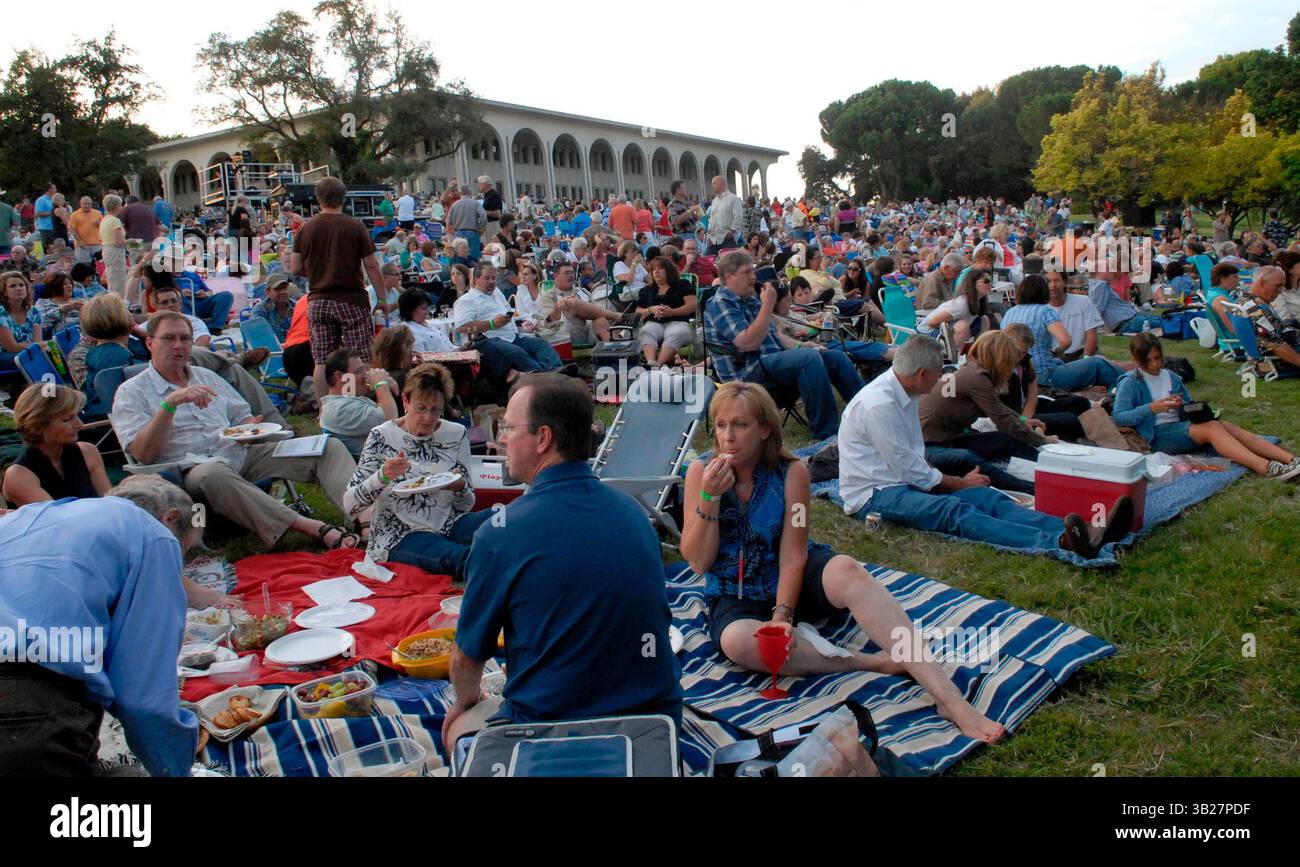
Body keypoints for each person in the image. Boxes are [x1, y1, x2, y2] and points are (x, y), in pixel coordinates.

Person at [681, 381, 1005, 743]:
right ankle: (870, 662)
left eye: (740, 425)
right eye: (721, 425)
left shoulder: (792, 475)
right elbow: (696, 562)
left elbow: (794, 553)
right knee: (738, 643)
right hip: (734, 591)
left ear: (765, 429)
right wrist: (709, 499)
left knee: (847, 569)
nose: (728, 437)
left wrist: (781, 615)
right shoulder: (700, 473)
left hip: (790, 577)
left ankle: (950, 699)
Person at [443, 374, 682, 747]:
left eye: (508, 426)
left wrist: (466, 703)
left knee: (457, 728)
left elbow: (466, 660)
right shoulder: (634, 513)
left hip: (555, 734)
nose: (502, 437)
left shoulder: (501, 532)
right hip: (655, 727)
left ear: (543, 438)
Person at [838, 335, 1132, 559]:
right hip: (875, 494)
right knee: (954, 510)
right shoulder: (879, 406)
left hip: (901, 480)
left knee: (985, 497)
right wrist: (960, 484)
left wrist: (965, 485)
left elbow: (914, 460)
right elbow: (912, 471)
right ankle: (1059, 542)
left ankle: (1080, 531)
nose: (943, 378)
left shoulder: (904, 394)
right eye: (940, 371)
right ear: (922, 375)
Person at [0, 476, 208, 776]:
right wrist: (175, 768)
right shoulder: (154, 535)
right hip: (28, 705)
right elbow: (144, 696)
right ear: (170, 519)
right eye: (183, 552)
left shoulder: (22, 519)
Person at [109, 310, 361, 549]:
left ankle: (366, 520)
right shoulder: (132, 392)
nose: (178, 345)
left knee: (327, 446)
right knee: (212, 473)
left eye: (184, 338)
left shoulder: (205, 376)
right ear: (150, 343)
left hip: (240, 454)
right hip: (189, 471)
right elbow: (143, 454)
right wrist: (170, 404)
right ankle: (313, 527)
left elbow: (242, 415)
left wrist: (249, 427)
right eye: (168, 338)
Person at [344, 362, 491, 580]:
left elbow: (465, 505)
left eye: (436, 410)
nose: (428, 418)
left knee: (507, 519)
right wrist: (381, 477)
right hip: (400, 534)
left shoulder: (456, 434)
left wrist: (460, 487)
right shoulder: (381, 436)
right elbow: (350, 505)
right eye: (421, 408)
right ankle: (510, 576)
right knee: (458, 557)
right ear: (405, 400)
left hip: (448, 523)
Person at [703, 251, 863, 440]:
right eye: (747, 272)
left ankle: (865, 415)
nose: (753, 277)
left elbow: (774, 335)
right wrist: (767, 306)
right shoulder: (720, 303)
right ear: (729, 277)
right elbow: (747, 342)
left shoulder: (749, 299)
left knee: (833, 357)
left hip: (771, 360)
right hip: (747, 370)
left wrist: (801, 346)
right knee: (808, 360)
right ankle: (827, 433)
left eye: (752, 271)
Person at [1113, 333, 1299, 480]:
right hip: (1154, 435)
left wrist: (1184, 406)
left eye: (1158, 358)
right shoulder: (1131, 382)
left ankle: (1291, 459)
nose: (1155, 364)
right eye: (1148, 360)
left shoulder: (1170, 376)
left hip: (1179, 426)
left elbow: (1188, 404)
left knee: (1224, 426)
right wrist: (1151, 408)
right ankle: (1266, 467)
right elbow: (1119, 417)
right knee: (1212, 429)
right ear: (1137, 359)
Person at [291, 177, 388, 403]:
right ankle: (358, 403)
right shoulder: (355, 226)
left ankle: (326, 411)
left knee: (322, 360)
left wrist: (318, 272)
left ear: (318, 198)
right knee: (361, 355)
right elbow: (372, 265)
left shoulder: (305, 229)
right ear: (343, 198)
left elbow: (295, 267)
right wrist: (381, 297)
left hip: (318, 300)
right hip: (351, 299)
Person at [918, 330, 1050, 494]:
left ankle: (1048, 471)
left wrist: (1022, 421)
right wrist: (1044, 442)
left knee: (1002, 440)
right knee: (968, 459)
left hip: (943, 438)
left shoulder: (971, 370)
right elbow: (1004, 422)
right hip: (927, 445)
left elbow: (999, 409)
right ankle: (1034, 489)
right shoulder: (976, 378)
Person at [1003, 274, 1120, 391]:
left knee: (1058, 362)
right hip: (1043, 376)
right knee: (1097, 364)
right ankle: (1125, 385)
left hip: (1018, 374)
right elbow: (1065, 340)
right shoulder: (1044, 310)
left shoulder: (1010, 312)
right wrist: (1056, 351)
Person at [2, 383, 111, 506]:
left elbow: (110, 504)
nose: (79, 424)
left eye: (76, 415)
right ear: (37, 427)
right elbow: (60, 520)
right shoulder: (19, 476)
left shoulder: (88, 453)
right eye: (67, 419)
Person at [319, 348, 401, 456]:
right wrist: (381, 384)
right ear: (339, 376)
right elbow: (390, 419)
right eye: (359, 371)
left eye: (364, 369)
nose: (365, 375)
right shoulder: (340, 409)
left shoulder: (348, 400)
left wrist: (384, 382)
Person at [635, 255, 697, 366]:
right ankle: (650, 361)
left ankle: (657, 365)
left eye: (660, 268)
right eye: (653, 270)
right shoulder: (647, 290)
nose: (656, 271)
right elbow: (638, 312)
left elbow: (692, 305)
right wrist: (651, 309)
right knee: (645, 332)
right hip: (653, 323)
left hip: (678, 322)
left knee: (676, 333)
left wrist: (672, 312)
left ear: (669, 270)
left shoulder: (682, 285)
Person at [919, 267, 995, 348]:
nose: (991, 284)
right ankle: (951, 359)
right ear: (973, 283)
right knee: (962, 327)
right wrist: (955, 330)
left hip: (945, 330)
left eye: (990, 281)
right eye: (986, 281)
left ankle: (976, 353)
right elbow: (931, 323)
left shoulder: (978, 302)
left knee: (984, 320)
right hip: (927, 334)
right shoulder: (961, 305)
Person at [1086, 270, 1164, 335]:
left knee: (1167, 319)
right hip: (1127, 323)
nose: (1111, 270)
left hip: (1130, 319)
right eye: (1107, 268)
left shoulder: (1095, 285)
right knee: (1167, 322)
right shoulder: (1100, 285)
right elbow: (1098, 307)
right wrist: (1092, 331)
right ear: (1098, 271)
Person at [0, 270, 42, 367]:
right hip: (4, 354)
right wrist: (44, 345)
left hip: (27, 352)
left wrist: (42, 345)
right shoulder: (1, 313)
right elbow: (11, 347)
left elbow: (37, 342)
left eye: (21, 285)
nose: (18, 288)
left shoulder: (34, 311)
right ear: (4, 292)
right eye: (13, 286)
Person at [398, 288, 456, 353]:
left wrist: (461, 349)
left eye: (427, 308)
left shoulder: (427, 325)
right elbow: (421, 358)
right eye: (423, 309)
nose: (427, 312)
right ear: (410, 310)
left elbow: (450, 347)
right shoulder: (410, 332)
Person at [98, 195, 129, 298]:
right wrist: (133, 242)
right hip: (115, 252)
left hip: (106, 250)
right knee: (119, 283)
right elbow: (118, 241)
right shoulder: (115, 221)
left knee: (112, 281)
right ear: (117, 206)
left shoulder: (104, 219)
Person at [447, 183, 486, 260]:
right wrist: (481, 228)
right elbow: (483, 217)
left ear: (460, 192)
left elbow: (449, 221)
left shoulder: (454, 205)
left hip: (458, 234)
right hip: (472, 233)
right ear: (470, 192)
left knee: (459, 258)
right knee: (473, 259)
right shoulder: (476, 204)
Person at [254, 273, 296, 343]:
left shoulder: (296, 306)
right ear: (268, 292)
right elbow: (258, 336)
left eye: (285, 288)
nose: (282, 292)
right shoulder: (261, 310)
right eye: (277, 289)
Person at [705, 176, 742, 254]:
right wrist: (708, 236)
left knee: (728, 263)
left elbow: (738, 217)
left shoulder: (733, 199)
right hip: (713, 239)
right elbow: (711, 219)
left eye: (714, 183)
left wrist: (731, 232)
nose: (712, 186)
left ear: (722, 183)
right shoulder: (714, 201)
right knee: (708, 260)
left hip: (727, 239)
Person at [67, 196, 103, 265]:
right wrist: (79, 241)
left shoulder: (97, 213)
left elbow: (103, 226)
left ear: (91, 204)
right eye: (85, 204)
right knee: (84, 264)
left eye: (89, 204)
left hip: (96, 243)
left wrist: (99, 224)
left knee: (99, 263)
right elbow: (72, 229)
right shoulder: (75, 215)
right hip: (82, 245)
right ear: (80, 204)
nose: (87, 205)